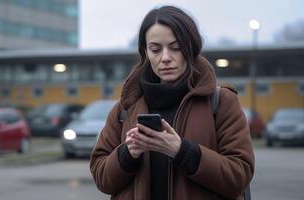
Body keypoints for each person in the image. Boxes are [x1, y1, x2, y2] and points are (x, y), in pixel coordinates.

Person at [90, 5, 254, 200]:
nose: (165, 58)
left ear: (190, 48)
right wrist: (128, 153)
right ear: (145, 52)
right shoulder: (125, 108)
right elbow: (102, 179)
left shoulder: (221, 102)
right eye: (155, 49)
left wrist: (181, 151)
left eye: (175, 48)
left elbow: (239, 175)